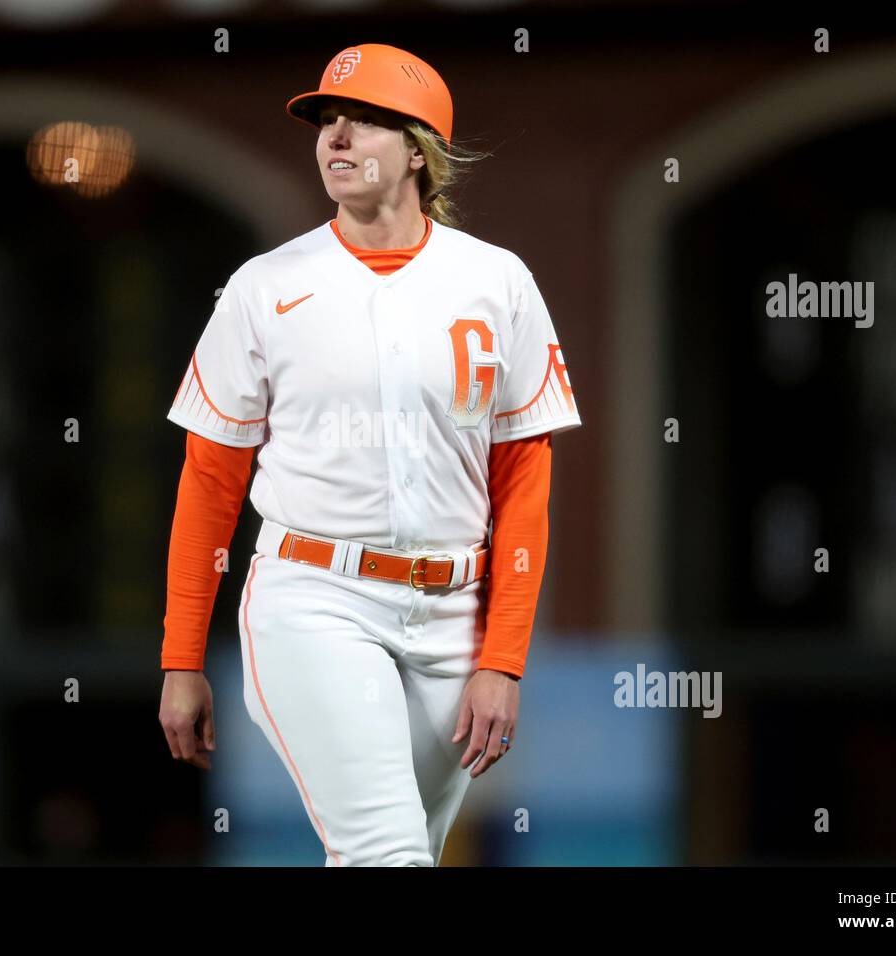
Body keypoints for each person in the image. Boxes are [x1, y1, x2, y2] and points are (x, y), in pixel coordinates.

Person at [158, 43, 581, 866]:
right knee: (389, 854)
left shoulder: (497, 281)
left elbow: (524, 481)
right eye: (326, 122)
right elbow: (210, 479)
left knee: (400, 851)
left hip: (455, 612)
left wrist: (505, 660)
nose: (336, 138)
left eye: (362, 121)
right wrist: (182, 657)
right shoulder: (265, 285)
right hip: (316, 595)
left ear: (419, 149)